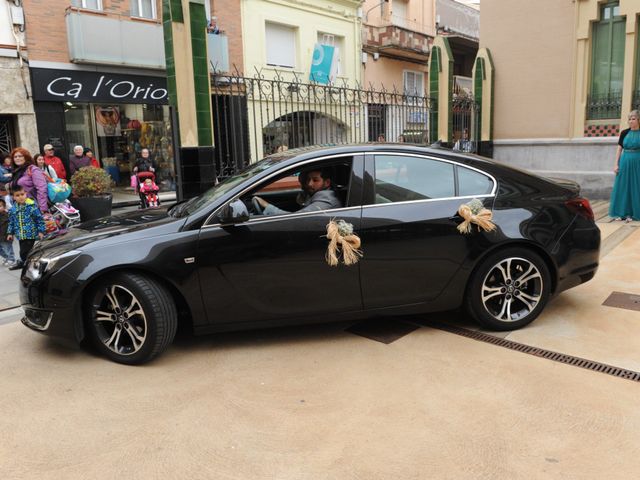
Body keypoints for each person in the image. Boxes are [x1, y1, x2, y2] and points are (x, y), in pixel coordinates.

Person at [253, 168, 342, 216]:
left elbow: (295, 218)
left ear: (327, 183)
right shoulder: (314, 193)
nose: (309, 184)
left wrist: (267, 206)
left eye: (315, 180)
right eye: (308, 179)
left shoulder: (326, 197)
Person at [609, 110, 640, 222]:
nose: (631, 121)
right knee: (623, 186)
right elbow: (619, 149)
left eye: (634, 119)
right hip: (625, 161)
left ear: (638, 120)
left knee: (636, 186)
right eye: (630, 119)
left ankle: (633, 213)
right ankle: (621, 213)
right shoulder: (624, 133)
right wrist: (616, 164)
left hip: (638, 162)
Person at [6, 185, 45, 270]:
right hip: (20, 235)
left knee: (24, 252)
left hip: (30, 234)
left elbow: (39, 219)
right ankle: (30, 264)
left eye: (22, 194)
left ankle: (26, 264)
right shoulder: (13, 209)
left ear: (26, 194)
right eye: (17, 195)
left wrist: (41, 231)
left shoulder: (31, 207)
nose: (20, 197)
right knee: (26, 252)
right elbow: (11, 222)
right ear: (13, 197)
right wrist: (10, 233)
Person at [9, 147, 49, 214]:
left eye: (20, 156)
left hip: (33, 208)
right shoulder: (16, 172)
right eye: (15, 157)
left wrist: (42, 208)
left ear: (26, 157)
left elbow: (42, 188)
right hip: (20, 208)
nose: (17, 158)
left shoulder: (33, 169)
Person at [0, 198, 16, 267]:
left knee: (7, 248)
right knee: (1, 249)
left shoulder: (6, 215)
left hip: (6, 235)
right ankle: (7, 257)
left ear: (4, 207)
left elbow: (11, 225)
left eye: (0, 206)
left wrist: (10, 234)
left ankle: (11, 259)